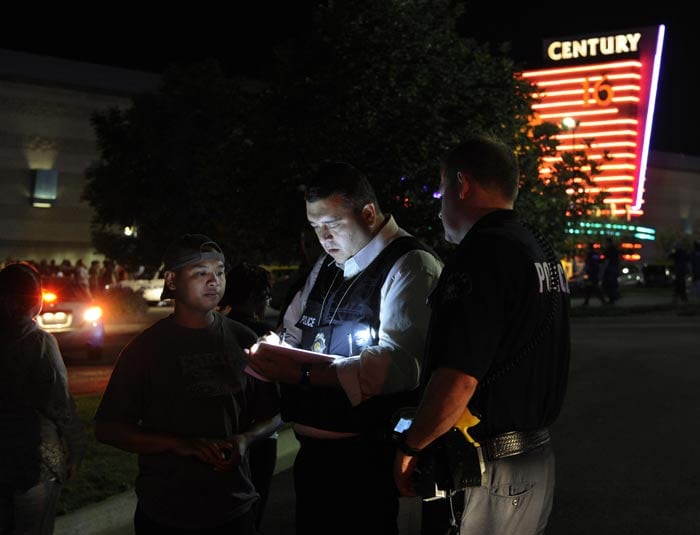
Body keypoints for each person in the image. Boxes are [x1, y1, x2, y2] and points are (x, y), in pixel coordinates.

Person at [246, 161, 443, 535]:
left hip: (369, 462)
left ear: (368, 213)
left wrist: (302, 372)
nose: (323, 238)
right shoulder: (327, 266)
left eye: (332, 225)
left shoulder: (411, 265)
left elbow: (399, 364)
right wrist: (272, 353)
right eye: (315, 228)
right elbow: (292, 330)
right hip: (314, 459)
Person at [393, 135, 570, 535]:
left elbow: (459, 374)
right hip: (534, 459)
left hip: (486, 467)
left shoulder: (481, 255)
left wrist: (412, 446)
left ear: (462, 184)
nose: (440, 208)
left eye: (441, 190)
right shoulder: (539, 251)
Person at [94, 234, 281, 535]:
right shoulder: (146, 349)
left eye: (219, 273)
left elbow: (273, 413)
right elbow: (108, 427)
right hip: (166, 511)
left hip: (233, 507)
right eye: (200, 273)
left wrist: (244, 440)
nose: (213, 282)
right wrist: (180, 445)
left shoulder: (244, 339)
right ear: (171, 279)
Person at [0, 261, 88, 535]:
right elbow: (60, 403)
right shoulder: (38, 343)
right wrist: (77, 446)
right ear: (35, 299)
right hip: (32, 461)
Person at [218, 261, 278, 531]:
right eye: (266, 296)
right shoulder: (261, 335)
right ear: (255, 297)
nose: (268, 302)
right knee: (253, 508)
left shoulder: (217, 327)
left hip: (224, 429)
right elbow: (274, 396)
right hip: (258, 434)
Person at [601, 237, 620, 304]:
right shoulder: (614, 250)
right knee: (611, 284)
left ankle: (612, 298)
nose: (605, 244)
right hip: (613, 269)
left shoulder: (609, 250)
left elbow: (605, 259)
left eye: (606, 243)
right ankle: (613, 298)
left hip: (610, 269)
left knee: (609, 284)